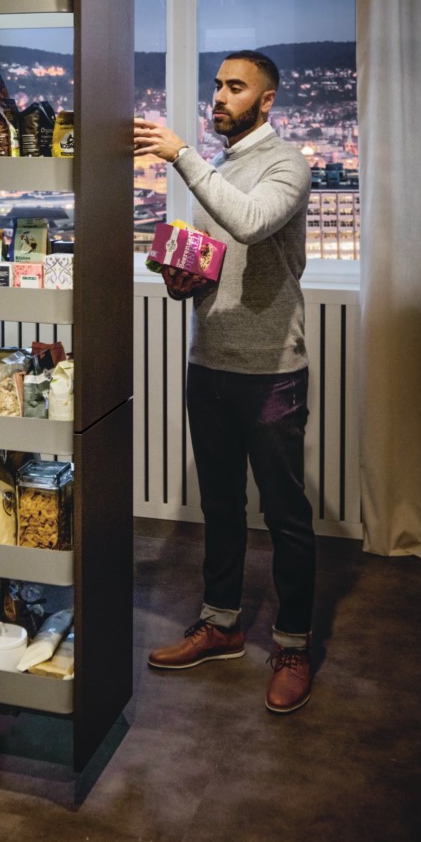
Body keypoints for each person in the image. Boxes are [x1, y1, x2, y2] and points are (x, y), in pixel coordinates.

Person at [133, 50, 317, 714]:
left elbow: (251, 222)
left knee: (286, 516)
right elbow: (221, 259)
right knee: (219, 506)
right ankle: (221, 624)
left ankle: (293, 644)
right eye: (217, 85)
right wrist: (183, 277)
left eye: (235, 87)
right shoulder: (222, 167)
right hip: (208, 362)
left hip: (271, 371)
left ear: (266, 101)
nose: (219, 96)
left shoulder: (287, 163)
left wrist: (181, 155)